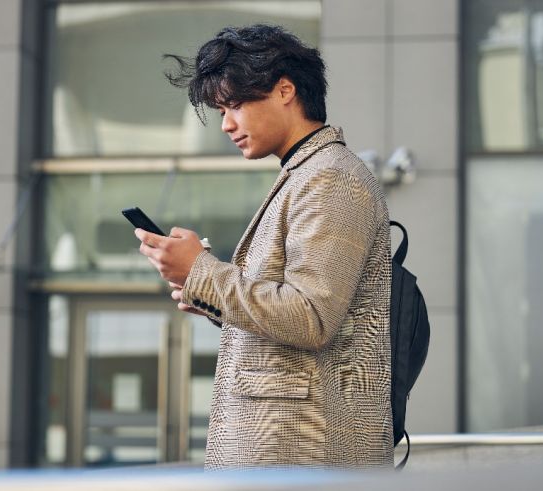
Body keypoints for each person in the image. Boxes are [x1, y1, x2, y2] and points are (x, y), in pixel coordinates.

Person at [134, 24, 392, 469]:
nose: (227, 124)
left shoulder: (330, 177)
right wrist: (209, 296)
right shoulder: (307, 172)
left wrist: (202, 272)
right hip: (289, 452)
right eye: (220, 111)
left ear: (285, 90)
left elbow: (310, 317)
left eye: (234, 105)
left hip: (304, 455)